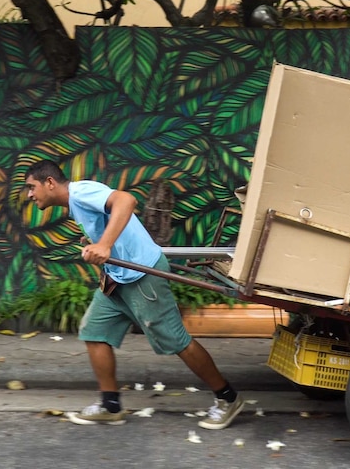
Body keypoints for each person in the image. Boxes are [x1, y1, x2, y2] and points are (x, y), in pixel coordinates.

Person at [23, 159, 244, 429]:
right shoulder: (75, 203)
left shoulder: (81, 192)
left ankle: (228, 398)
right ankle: (110, 405)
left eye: (31, 187)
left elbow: (125, 201)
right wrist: (96, 241)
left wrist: (104, 244)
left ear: (49, 183)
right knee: (94, 332)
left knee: (177, 342)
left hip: (142, 275)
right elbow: (111, 222)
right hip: (117, 279)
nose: (30, 195)